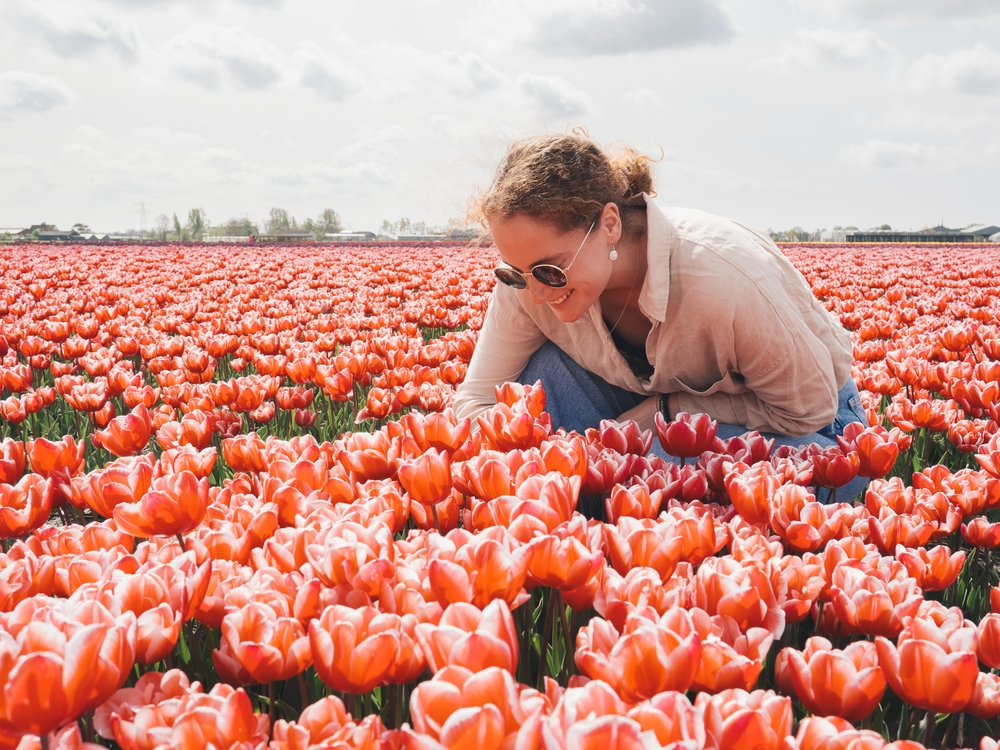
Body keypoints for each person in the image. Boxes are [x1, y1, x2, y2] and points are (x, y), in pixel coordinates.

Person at [452, 131, 868, 501]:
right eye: (515, 272)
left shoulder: (720, 276)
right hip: (632, 402)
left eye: (551, 270)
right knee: (533, 390)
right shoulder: (527, 284)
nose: (538, 292)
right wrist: (508, 465)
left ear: (609, 224)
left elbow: (809, 409)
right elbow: (477, 401)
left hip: (813, 426)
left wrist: (669, 413)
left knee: (646, 471)